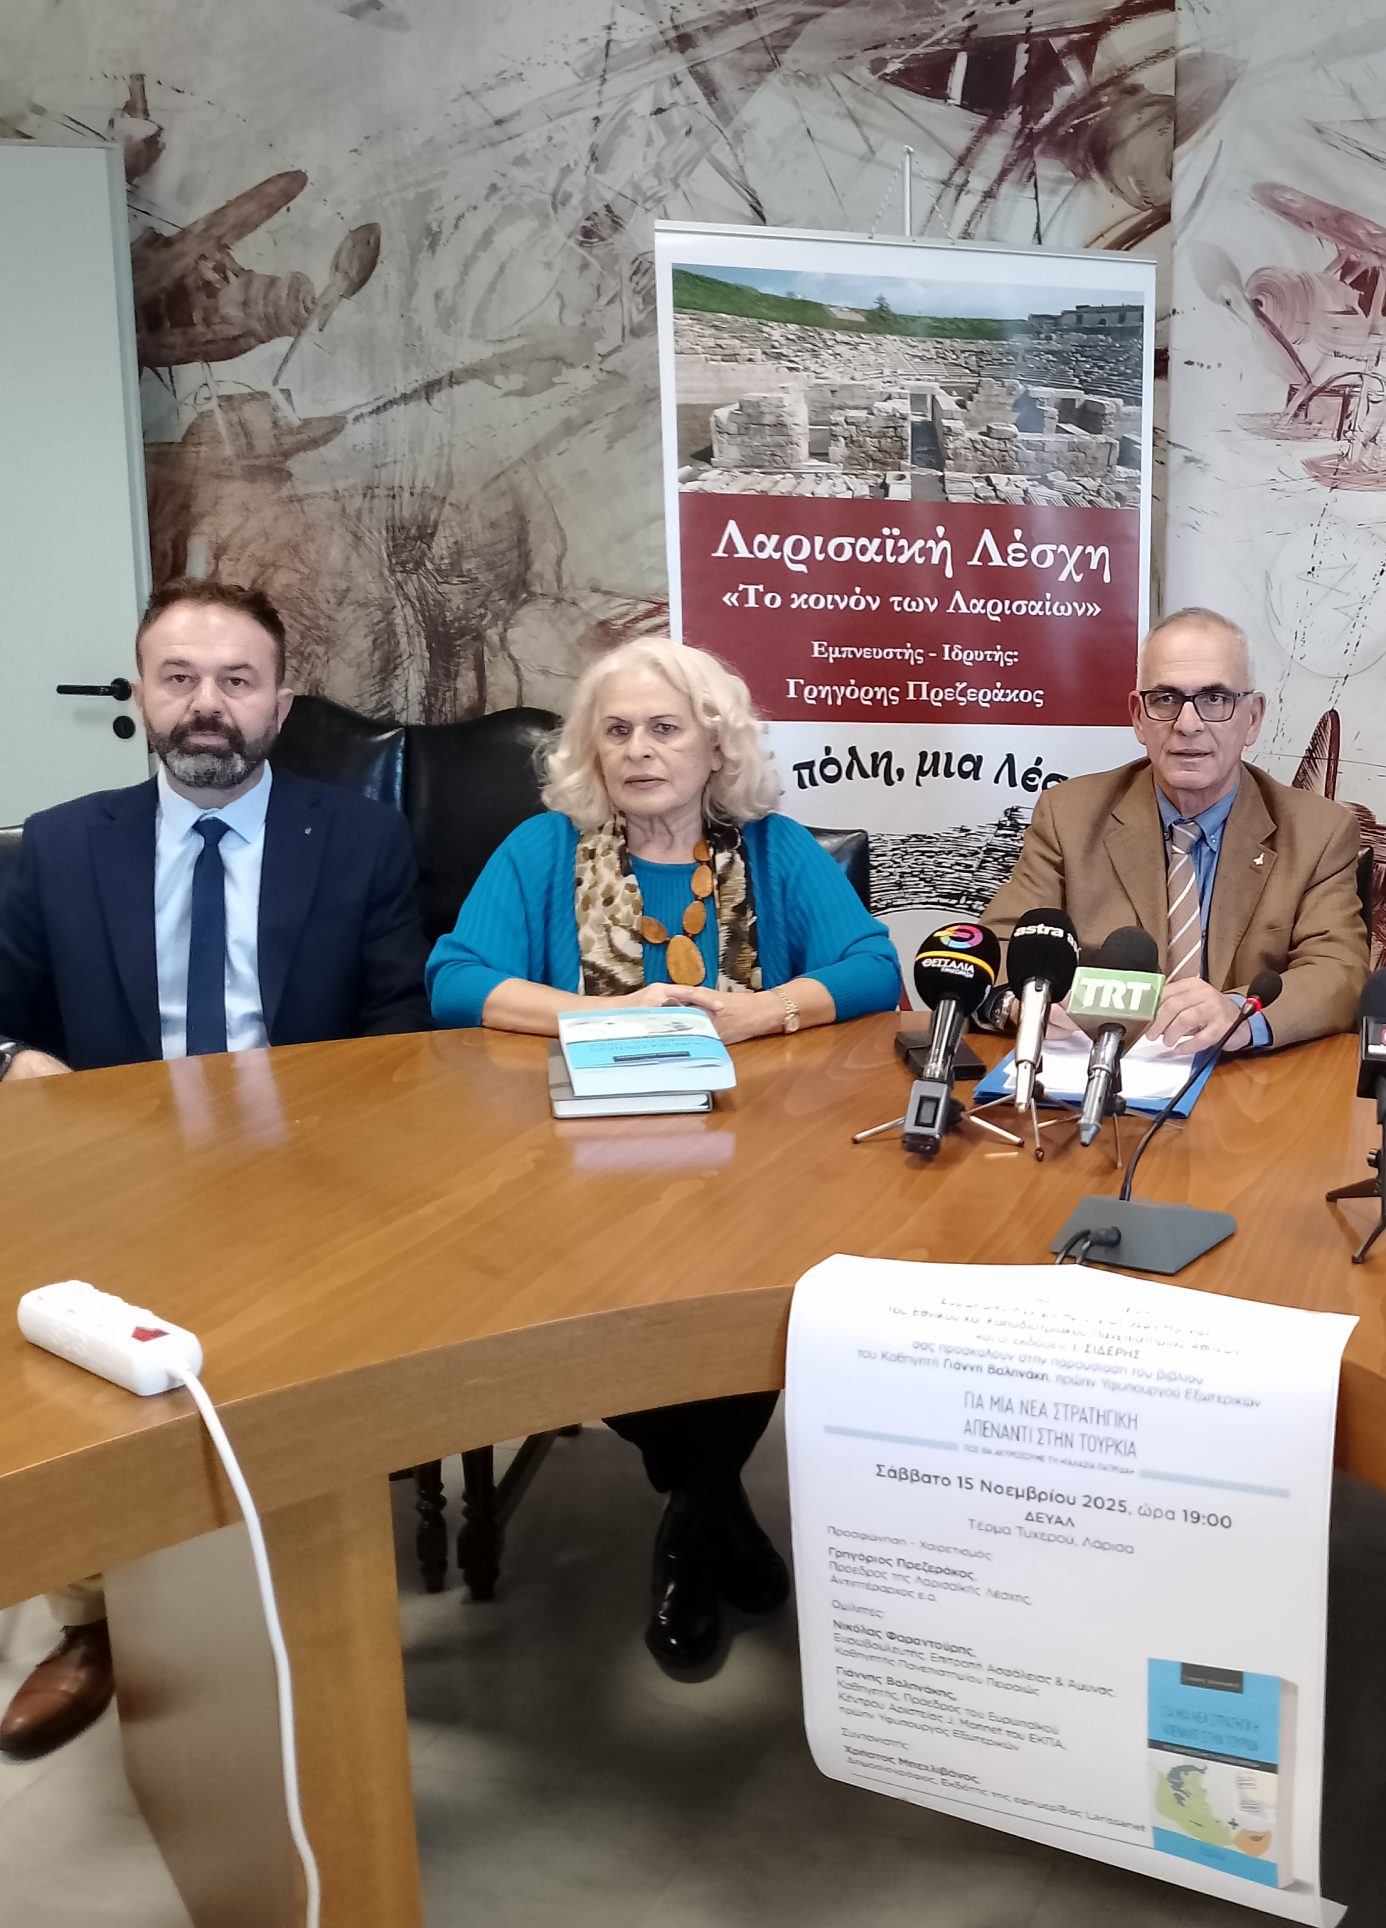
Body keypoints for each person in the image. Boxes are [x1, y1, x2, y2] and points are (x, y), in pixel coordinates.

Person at [0, 576, 430, 1763]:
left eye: (237, 680)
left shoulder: (359, 837)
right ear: (141, 693)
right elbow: (2, 1017)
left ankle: (303, 1599)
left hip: (310, 1176)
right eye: (179, 677)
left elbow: (401, 1034)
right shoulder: (59, 842)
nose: (207, 704)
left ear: (281, 704)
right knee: (65, 1357)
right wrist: (20, 1062)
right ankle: (93, 1612)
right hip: (113, 1180)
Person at [427, 636, 898, 1675]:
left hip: (752, 1170)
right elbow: (456, 979)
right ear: (592, 751)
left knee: (758, 1290)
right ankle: (707, 1509)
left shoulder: (773, 852)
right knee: (600, 1300)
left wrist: (760, 1011)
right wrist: (601, 1015)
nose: (640, 750)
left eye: (665, 728)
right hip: (580, 1174)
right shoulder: (542, 851)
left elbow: (873, 965)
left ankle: (693, 1513)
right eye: (618, 730)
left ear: (715, 743)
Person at [981, 607, 1367, 1050]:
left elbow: (1339, 972)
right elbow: (1000, 947)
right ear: (1138, 716)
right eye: (1165, 699)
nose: (1188, 724)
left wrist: (1238, 1015)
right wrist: (1022, 1003)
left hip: (1243, 1075)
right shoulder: (1069, 816)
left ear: (1253, 718)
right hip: (1091, 1065)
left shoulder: (1318, 832)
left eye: (1215, 699)